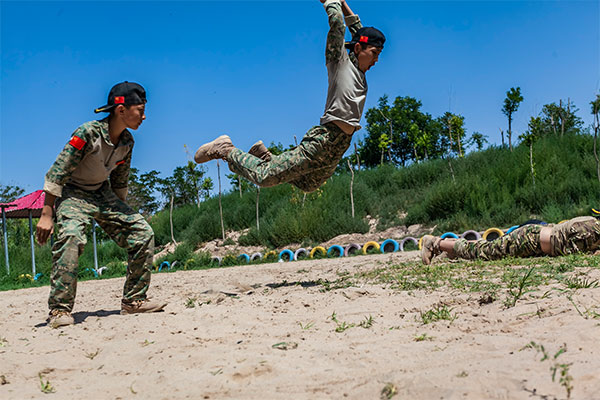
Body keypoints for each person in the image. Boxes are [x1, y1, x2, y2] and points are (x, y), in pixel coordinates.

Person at [193, 0, 385, 193]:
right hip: (325, 139)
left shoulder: (360, 71)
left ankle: (266, 157)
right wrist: (332, 2)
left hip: (341, 143)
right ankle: (224, 149)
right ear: (358, 49)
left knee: (308, 184)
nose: (376, 60)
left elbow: (360, 32)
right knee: (264, 176)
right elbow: (337, 23)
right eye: (374, 53)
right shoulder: (339, 60)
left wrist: (344, 4)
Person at [36, 81, 166, 328]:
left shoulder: (127, 142)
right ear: (121, 110)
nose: (144, 116)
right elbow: (57, 173)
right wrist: (47, 214)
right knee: (71, 237)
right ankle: (60, 311)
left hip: (102, 194)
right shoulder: (87, 133)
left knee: (142, 233)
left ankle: (133, 301)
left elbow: (119, 183)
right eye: (140, 110)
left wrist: (122, 219)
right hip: (73, 194)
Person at [421, 216, 600, 265]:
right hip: (530, 240)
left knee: (489, 247)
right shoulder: (591, 229)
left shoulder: (592, 225)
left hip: (535, 241)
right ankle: (436, 243)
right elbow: (572, 251)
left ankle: (450, 249)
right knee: (485, 253)